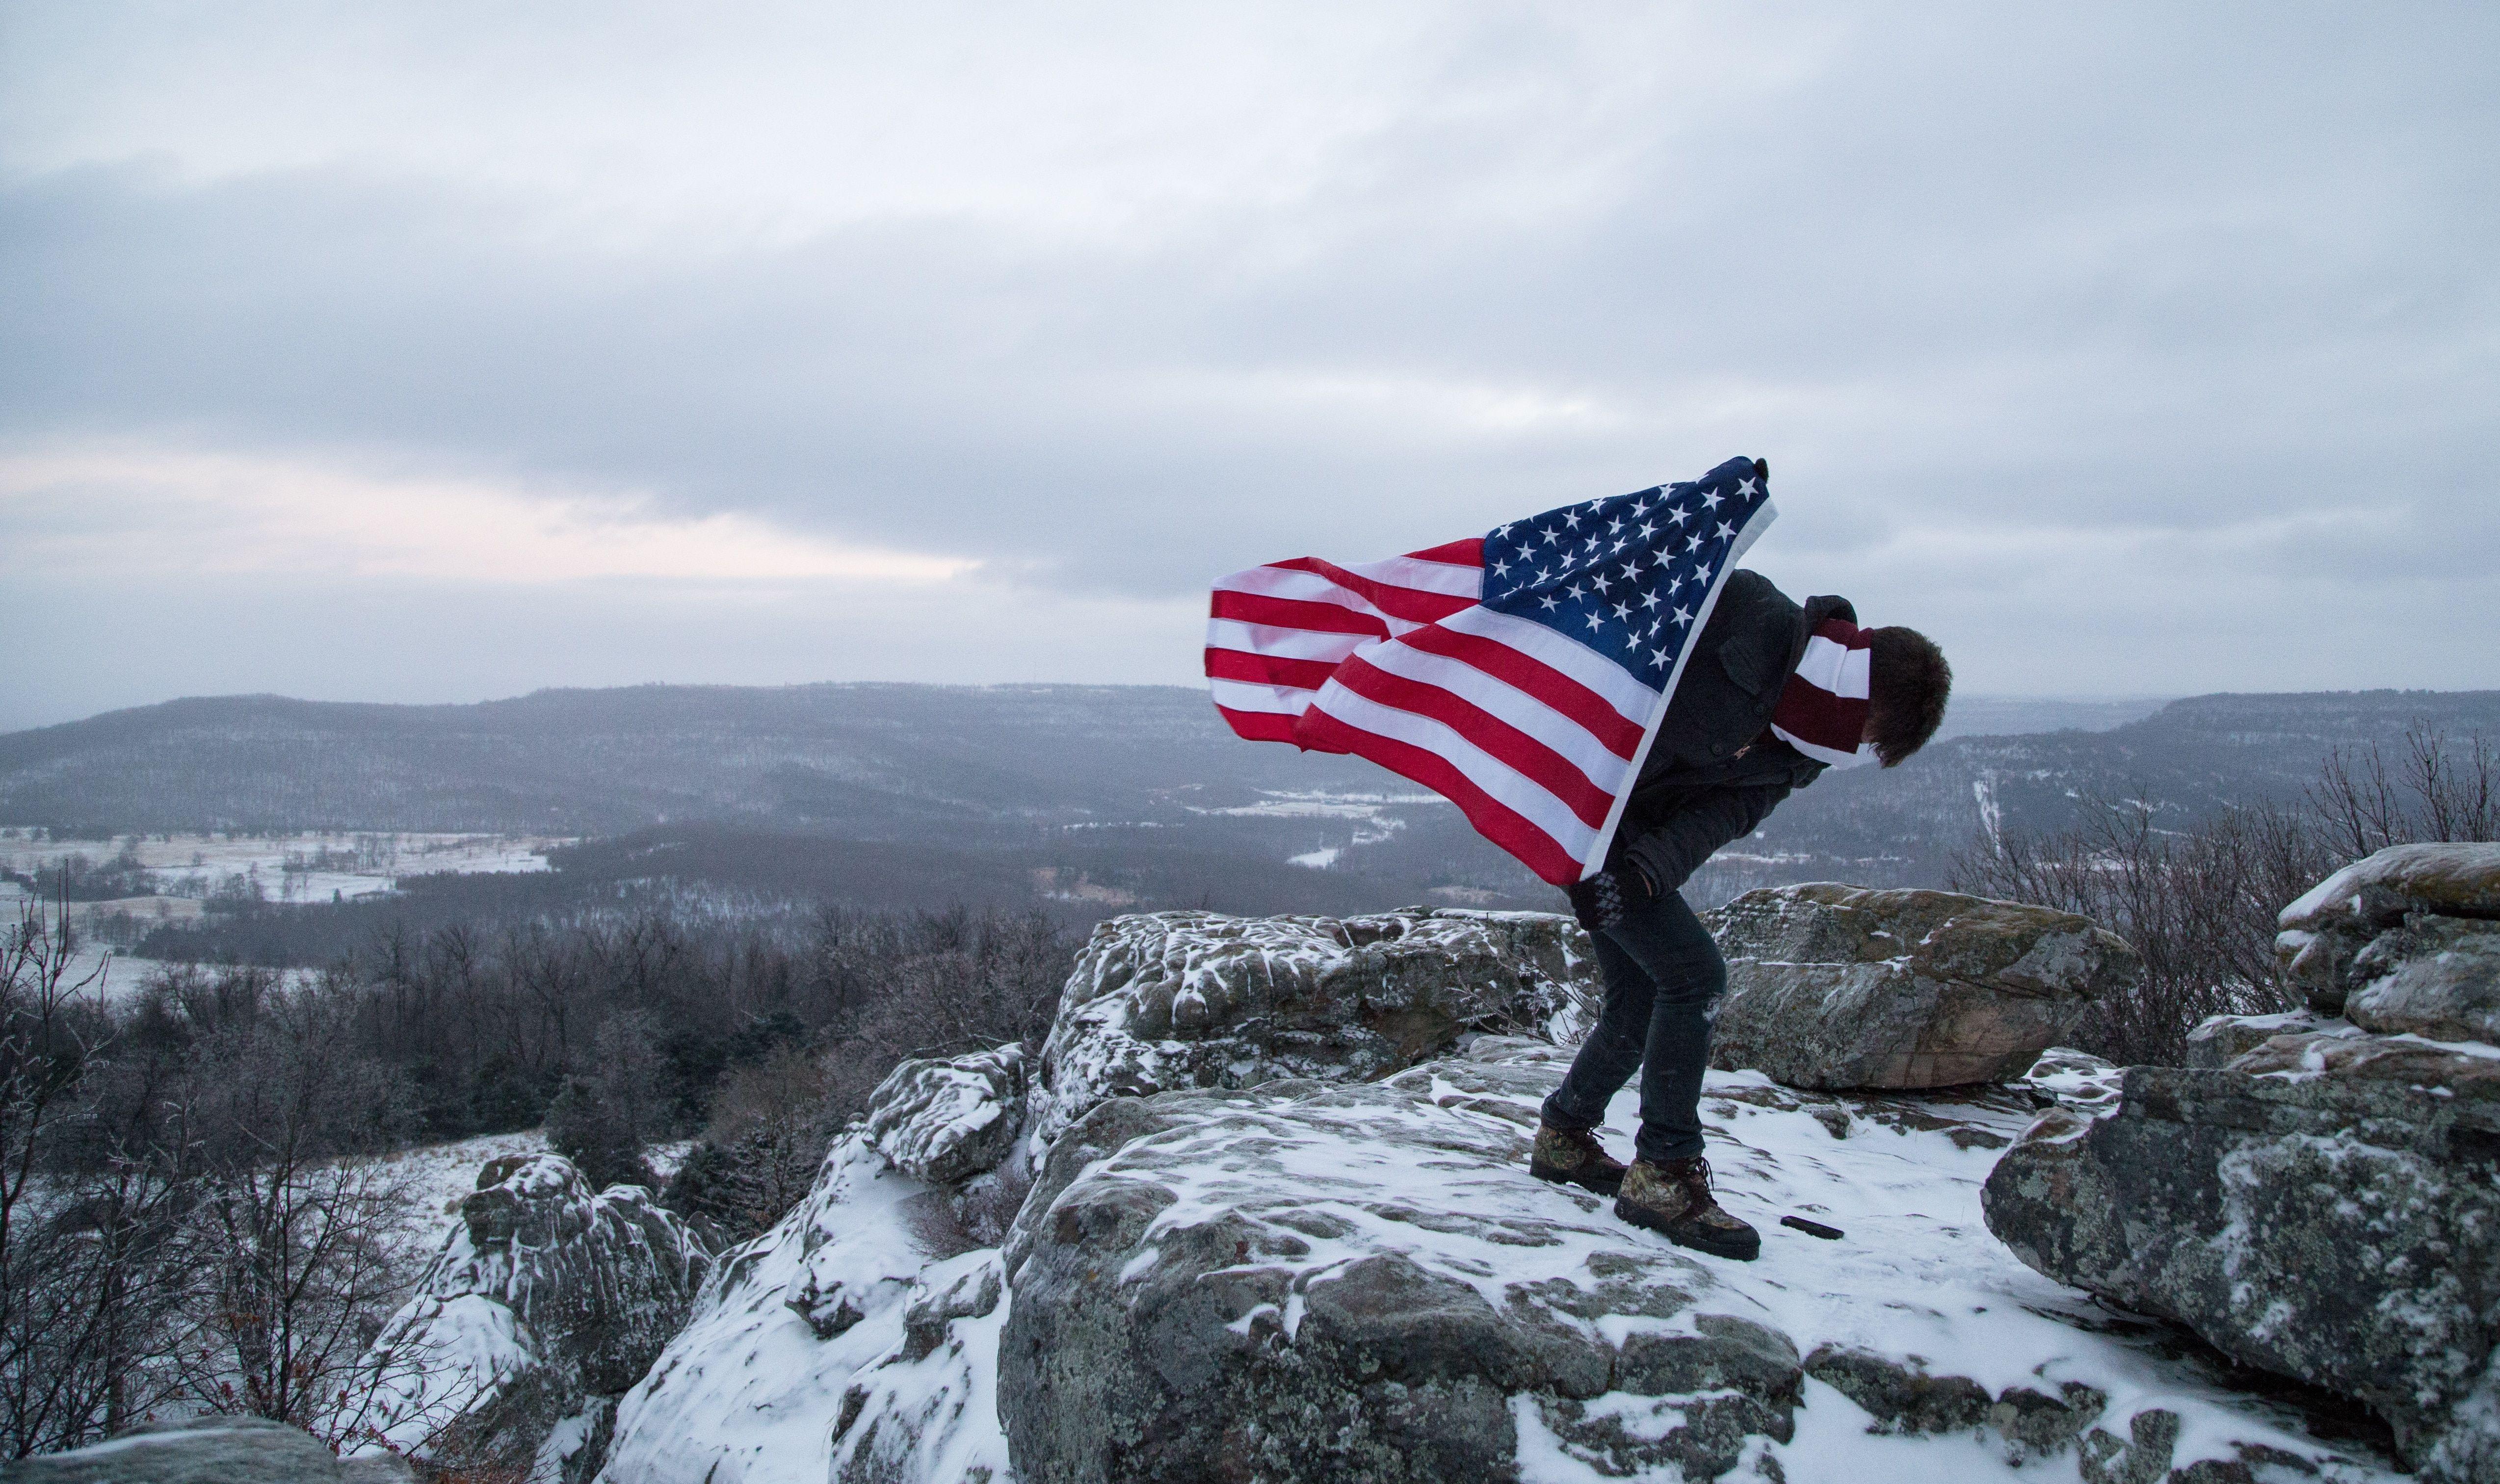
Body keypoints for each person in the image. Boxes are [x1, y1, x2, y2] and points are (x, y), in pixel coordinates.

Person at [1526, 569, 1951, 1259]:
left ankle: (1564, 1136)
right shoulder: (1752, 617)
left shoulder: (1802, 750)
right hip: (1583, 794)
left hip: (1627, 840)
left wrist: (1640, 878)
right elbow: (1634, 620)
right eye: (1872, 731)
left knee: (1639, 998)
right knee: (1695, 977)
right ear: (1864, 688)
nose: (1856, 749)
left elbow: (1721, 815)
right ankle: (1663, 1170)